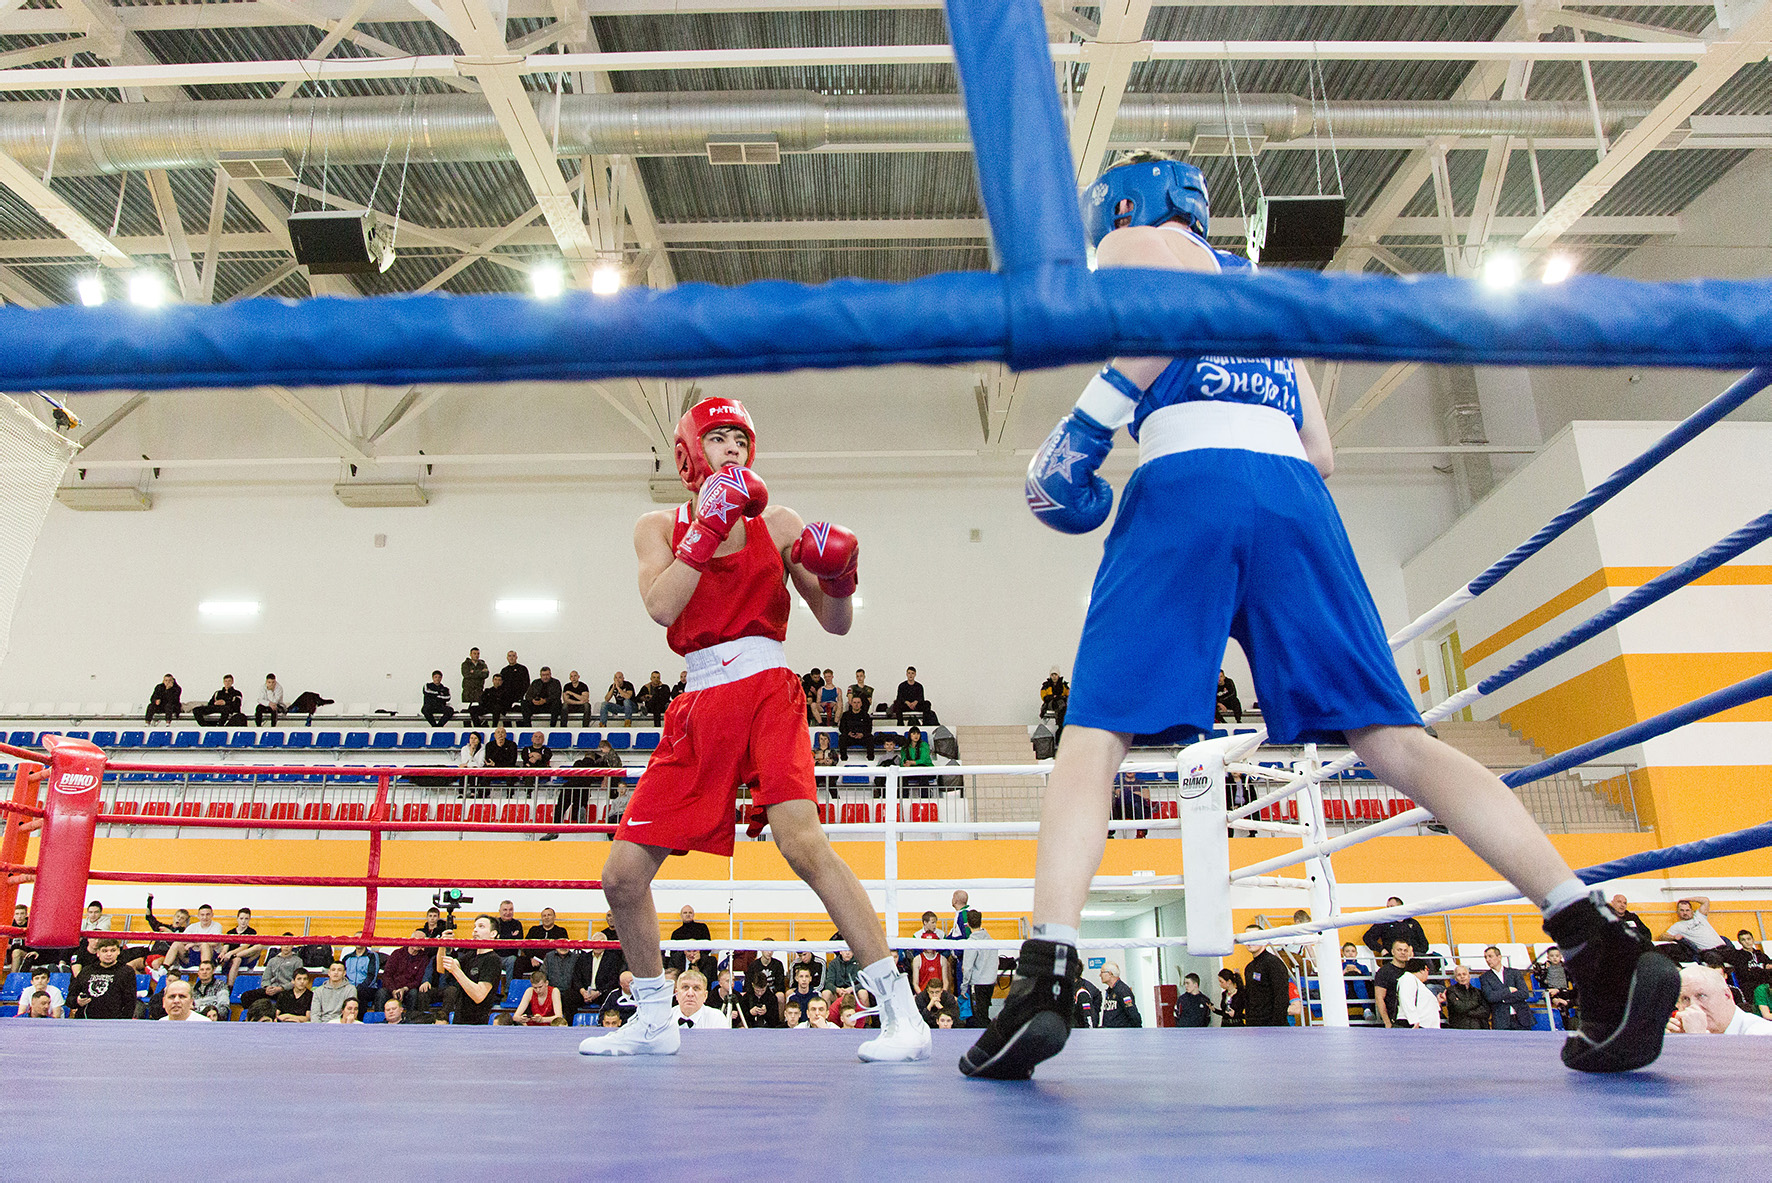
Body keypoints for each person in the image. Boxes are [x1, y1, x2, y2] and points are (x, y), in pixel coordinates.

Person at [963, 153, 1677, 1081]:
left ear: (1127, 208)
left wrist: (1092, 422)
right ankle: (1595, 934)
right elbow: (1323, 449)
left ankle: (1047, 974)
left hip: (1188, 481)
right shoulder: (1264, 290)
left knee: (1093, 738)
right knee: (1398, 740)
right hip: (1297, 497)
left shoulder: (1140, 241)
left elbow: (1171, 297)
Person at [576, 396, 928, 1063]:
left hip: (768, 687)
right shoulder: (658, 526)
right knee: (621, 875)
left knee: (803, 844)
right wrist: (705, 528)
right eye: (718, 438)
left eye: (741, 438)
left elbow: (835, 622)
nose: (732, 448)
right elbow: (661, 606)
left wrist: (842, 576)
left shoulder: (781, 520)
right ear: (689, 452)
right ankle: (653, 1018)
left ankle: (902, 1012)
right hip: (700, 700)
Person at [1667, 964, 1772, 1036]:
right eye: (1685, 999)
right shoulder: (1684, 1034)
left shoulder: (1762, 1034)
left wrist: (1696, 1039)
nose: (1693, 1006)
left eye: (1701, 996)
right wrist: (1676, 1044)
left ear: (1727, 994)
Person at [439, 915, 503, 1026]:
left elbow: (479, 996)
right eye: (474, 926)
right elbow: (441, 968)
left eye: (481, 926)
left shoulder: (493, 960)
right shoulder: (470, 955)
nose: (475, 930)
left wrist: (456, 970)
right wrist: (442, 945)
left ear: (493, 934)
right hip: (459, 1020)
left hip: (476, 1024)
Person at [74, 939, 138, 1020]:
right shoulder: (87, 971)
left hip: (114, 1023)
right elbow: (71, 997)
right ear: (98, 953)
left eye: (113, 950)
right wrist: (77, 1001)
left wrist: (123, 1022)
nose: (109, 954)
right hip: (87, 1021)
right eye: (104, 951)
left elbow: (130, 1002)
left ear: (118, 951)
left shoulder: (126, 972)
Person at [1241, 930, 1292, 1028]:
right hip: (1254, 1026)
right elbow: (1249, 997)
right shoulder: (1249, 967)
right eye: (1247, 938)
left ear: (1263, 939)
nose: (1250, 942)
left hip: (1272, 1027)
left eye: (1254, 937)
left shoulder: (1273, 963)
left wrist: (1276, 1026)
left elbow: (1281, 997)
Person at [1479, 946, 1537, 1031]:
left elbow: (1524, 993)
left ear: (1499, 957)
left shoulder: (1515, 973)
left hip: (1521, 1018)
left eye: (1490, 956)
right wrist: (1508, 990)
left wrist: (1503, 999)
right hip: (1502, 1020)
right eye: (1486, 957)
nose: (1487, 960)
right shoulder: (1485, 977)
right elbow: (1490, 997)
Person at [1361, 899, 1430, 961]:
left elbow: (1424, 944)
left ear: (1400, 907)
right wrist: (1382, 950)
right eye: (1387, 907)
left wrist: (1414, 954)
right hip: (1392, 960)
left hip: (1413, 960)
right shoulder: (1384, 922)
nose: (1388, 909)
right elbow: (1367, 937)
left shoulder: (1412, 922)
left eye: (1391, 906)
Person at [960, 910, 996, 1028]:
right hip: (990, 982)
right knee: (983, 1014)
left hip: (978, 983)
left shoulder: (971, 943)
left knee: (980, 1018)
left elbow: (967, 967)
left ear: (968, 924)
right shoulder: (991, 940)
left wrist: (964, 986)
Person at [1371, 938, 1414, 1030]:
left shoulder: (1412, 969)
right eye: (1399, 950)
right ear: (1393, 952)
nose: (1403, 953)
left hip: (1413, 1019)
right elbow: (1379, 998)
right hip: (1396, 1020)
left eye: (1405, 950)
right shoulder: (1384, 972)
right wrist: (1387, 1022)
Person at [217, 907, 264, 986]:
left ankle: (235, 956)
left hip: (245, 957)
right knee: (237, 960)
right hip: (231, 960)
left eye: (246, 919)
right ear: (237, 919)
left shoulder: (251, 932)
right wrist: (223, 953)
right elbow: (225, 947)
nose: (243, 921)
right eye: (241, 918)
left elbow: (245, 947)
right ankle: (230, 986)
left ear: (249, 919)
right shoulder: (230, 932)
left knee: (259, 946)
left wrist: (232, 953)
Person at [1444, 963, 1491, 1029]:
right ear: (1456, 978)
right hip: (1460, 1029)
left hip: (1479, 1028)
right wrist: (1475, 1003)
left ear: (1469, 976)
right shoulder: (1451, 991)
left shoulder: (1478, 992)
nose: (1462, 977)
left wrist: (1465, 1012)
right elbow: (1459, 1007)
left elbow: (1485, 1011)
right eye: (1459, 975)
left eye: (1464, 974)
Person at [1396, 959, 1440, 1029]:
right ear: (1423, 969)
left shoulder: (1417, 983)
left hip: (1424, 1025)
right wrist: (1413, 1020)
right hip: (1414, 1025)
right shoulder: (1408, 978)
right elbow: (1406, 998)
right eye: (1427, 970)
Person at [309, 960, 354, 1024]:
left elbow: (350, 1013)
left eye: (339, 970)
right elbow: (314, 1014)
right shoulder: (318, 991)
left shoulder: (350, 989)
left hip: (341, 1024)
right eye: (333, 970)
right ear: (329, 973)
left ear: (344, 973)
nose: (336, 972)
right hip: (322, 1025)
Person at [1097, 964, 1142, 1028]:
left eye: (1102, 972)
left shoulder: (1123, 990)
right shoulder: (1110, 991)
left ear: (1110, 973)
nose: (1100, 975)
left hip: (1121, 1033)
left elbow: (1132, 1012)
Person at [837, 693, 874, 762]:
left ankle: (870, 760)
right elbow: (842, 727)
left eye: (858, 702)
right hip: (850, 737)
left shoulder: (865, 715)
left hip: (862, 738)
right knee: (842, 738)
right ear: (851, 703)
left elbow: (869, 729)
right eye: (854, 702)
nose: (856, 704)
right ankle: (844, 759)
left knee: (870, 738)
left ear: (861, 704)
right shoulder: (846, 715)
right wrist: (848, 733)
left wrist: (862, 734)